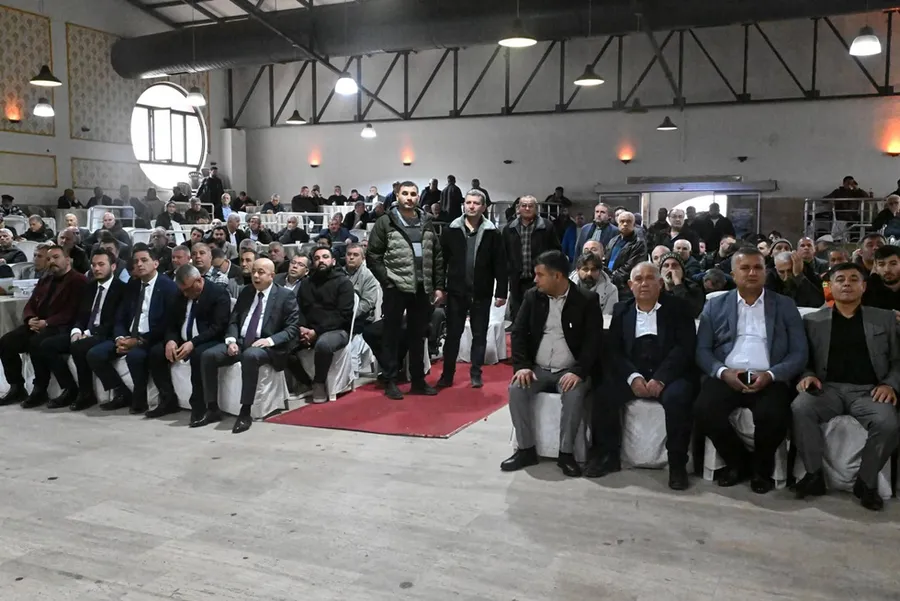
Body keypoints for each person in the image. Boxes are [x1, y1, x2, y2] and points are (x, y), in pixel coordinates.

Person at [695, 247, 807, 493]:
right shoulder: (715, 305)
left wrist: (771, 375)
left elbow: (799, 352)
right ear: (733, 274)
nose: (752, 273)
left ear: (766, 272)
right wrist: (723, 372)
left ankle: (761, 470)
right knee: (704, 409)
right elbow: (702, 350)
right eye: (745, 268)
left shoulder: (784, 305)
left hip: (770, 376)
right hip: (728, 374)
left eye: (758, 267)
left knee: (774, 416)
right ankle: (738, 463)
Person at [792, 262, 900, 511]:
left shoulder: (884, 318)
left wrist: (890, 384)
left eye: (853, 279)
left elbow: (897, 360)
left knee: (888, 422)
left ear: (863, 286)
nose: (847, 284)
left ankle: (866, 482)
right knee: (801, 407)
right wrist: (807, 375)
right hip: (827, 389)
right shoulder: (813, 320)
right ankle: (813, 475)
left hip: (869, 391)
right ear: (830, 287)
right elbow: (804, 359)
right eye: (840, 280)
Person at [595, 262, 697, 488]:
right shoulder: (622, 310)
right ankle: (608, 456)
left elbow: (685, 348)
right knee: (604, 394)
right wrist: (633, 377)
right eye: (638, 279)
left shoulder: (679, 308)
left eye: (650, 278)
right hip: (635, 371)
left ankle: (677, 464)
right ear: (630, 285)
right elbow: (614, 351)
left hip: (669, 374)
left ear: (660, 283)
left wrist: (661, 378)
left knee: (678, 399)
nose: (644, 284)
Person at [501, 250, 602, 477]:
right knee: (516, 389)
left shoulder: (586, 300)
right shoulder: (532, 297)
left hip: (570, 369)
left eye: (540, 275)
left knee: (574, 394)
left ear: (557, 276)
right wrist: (522, 366)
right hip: (537, 368)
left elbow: (593, 341)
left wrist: (578, 371)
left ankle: (566, 454)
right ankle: (526, 450)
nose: (535, 280)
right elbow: (518, 333)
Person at [199, 258, 300, 432]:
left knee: (250, 356)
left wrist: (269, 341)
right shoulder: (246, 291)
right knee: (208, 355)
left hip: (267, 346)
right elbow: (234, 320)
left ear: (272, 275)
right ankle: (212, 408)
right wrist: (231, 340)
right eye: (254, 272)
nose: (255, 276)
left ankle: (245, 411)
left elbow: (292, 329)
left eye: (261, 272)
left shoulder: (285, 295)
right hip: (241, 341)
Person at [366, 180, 445, 400]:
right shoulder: (385, 221)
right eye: (405, 194)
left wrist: (438, 286)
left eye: (413, 194)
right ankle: (390, 380)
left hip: (422, 288)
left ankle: (418, 380)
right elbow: (373, 255)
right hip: (396, 287)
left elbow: (437, 255)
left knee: (418, 335)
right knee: (390, 335)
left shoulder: (426, 221)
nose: (409, 198)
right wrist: (387, 281)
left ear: (418, 197)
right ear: (397, 196)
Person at [86, 244, 178, 414]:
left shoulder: (168, 287)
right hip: (129, 336)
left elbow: (168, 323)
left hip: (152, 337)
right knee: (95, 354)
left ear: (156, 263)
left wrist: (139, 341)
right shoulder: (133, 285)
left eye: (144, 260)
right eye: (136, 261)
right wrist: (120, 338)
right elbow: (120, 317)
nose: (139, 264)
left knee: (135, 356)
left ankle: (141, 397)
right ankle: (121, 392)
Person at [0, 245, 87, 406]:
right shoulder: (46, 279)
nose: (52, 261)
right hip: (38, 323)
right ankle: (16, 387)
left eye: (56, 257)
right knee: (6, 341)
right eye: (48, 259)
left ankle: (40, 388)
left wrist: (47, 322)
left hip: (61, 326)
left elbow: (72, 311)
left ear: (68, 260)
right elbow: (31, 304)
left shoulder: (78, 280)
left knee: (37, 343)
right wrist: (30, 319)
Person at [437, 189, 507, 389]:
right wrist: (439, 287)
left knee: (479, 335)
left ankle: (476, 373)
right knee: (452, 335)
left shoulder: (493, 232)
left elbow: (500, 264)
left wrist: (501, 292)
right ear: (463, 205)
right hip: (456, 292)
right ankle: (447, 374)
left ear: (483, 207)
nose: (471, 206)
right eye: (468, 202)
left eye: (476, 203)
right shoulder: (451, 230)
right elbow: (441, 262)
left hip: (481, 292)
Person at [148, 263, 231, 420]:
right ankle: (168, 399)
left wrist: (193, 342)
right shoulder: (180, 294)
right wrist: (171, 340)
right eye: (183, 290)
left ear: (199, 280)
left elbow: (218, 327)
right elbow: (171, 323)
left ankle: (199, 405)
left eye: (188, 289)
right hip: (183, 338)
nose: (186, 294)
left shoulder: (218, 294)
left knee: (198, 355)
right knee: (156, 352)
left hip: (208, 339)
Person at [48, 249, 127, 410]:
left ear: (113, 266)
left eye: (101, 264)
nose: (96, 268)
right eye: (93, 265)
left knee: (79, 347)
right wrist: (77, 331)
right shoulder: (89, 287)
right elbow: (81, 315)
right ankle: (70, 388)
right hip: (87, 332)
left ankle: (87, 393)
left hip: (107, 334)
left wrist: (88, 334)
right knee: (47, 346)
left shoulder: (122, 289)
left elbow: (115, 321)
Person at [294, 247, 356, 403]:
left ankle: (319, 382)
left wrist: (316, 331)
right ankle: (305, 382)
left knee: (323, 344)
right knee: (282, 343)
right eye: (317, 258)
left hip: (337, 331)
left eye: (325, 257)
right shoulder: (306, 284)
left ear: (333, 261)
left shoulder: (343, 283)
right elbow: (298, 310)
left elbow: (343, 316)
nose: (321, 260)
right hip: (308, 330)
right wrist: (302, 328)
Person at [502, 195, 560, 325]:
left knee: (539, 317)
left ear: (536, 208)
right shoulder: (509, 229)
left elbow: (556, 252)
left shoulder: (547, 227)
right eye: (524, 206)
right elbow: (503, 255)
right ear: (518, 208)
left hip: (541, 280)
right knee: (518, 318)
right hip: (517, 281)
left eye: (530, 206)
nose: (527, 208)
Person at [605, 211, 647, 296]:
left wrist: (611, 278)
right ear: (618, 224)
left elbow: (629, 267)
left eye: (628, 221)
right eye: (622, 221)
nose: (625, 224)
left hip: (624, 287)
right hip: (609, 283)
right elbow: (605, 259)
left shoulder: (639, 243)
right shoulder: (613, 240)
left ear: (634, 224)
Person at [659, 252, 705, 318]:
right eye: (666, 266)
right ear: (660, 272)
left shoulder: (693, 288)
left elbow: (692, 313)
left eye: (675, 265)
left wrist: (678, 284)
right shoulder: (655, 289)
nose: (670, 269)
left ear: (682, 271)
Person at [344, 243, 379, 330]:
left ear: (363, 258)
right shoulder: (338, 273)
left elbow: (367, 302)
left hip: (361, 318)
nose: (351, 257)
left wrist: (349, 315)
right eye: (349, 254)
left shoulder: (368, 275)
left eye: (355, 255)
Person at [862, 245, 900, 310]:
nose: (887, 269)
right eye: (881, 264)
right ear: (876, 267)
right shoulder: (865, 289)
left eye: (893, 264)